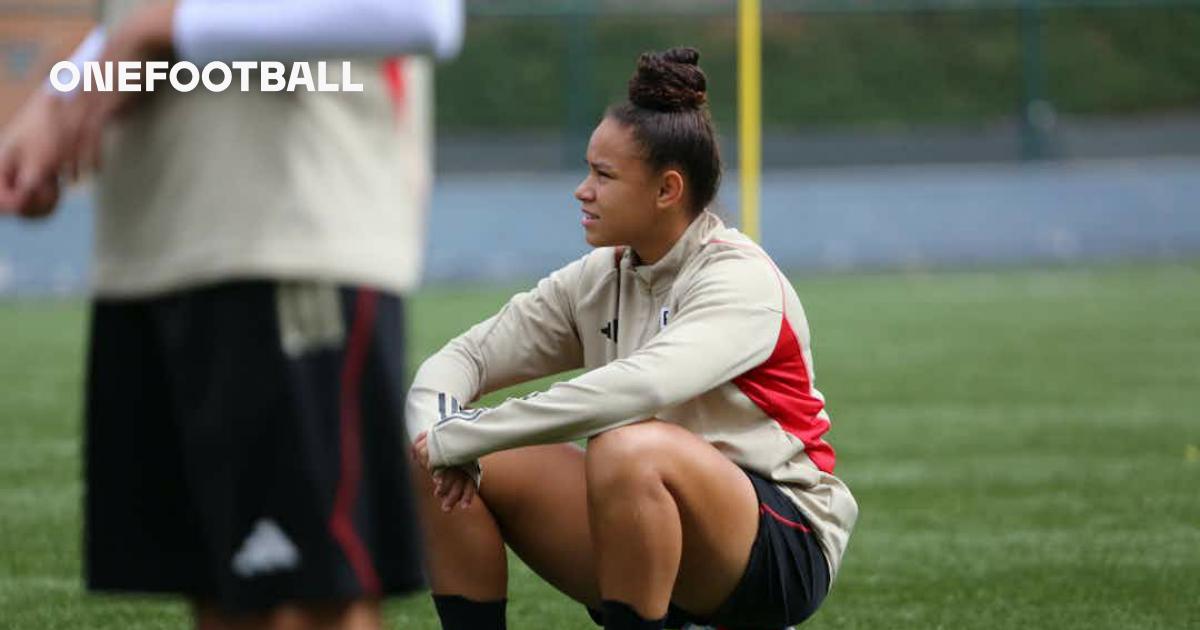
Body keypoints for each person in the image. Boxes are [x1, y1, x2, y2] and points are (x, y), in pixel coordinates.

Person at [0, 1, 463, 628]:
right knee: (225, 598)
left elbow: (419, 14)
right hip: (156, 246)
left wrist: (159, 31)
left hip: (286, 233)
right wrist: (65, 92)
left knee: (304, 603)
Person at [407, 47, 858, 630]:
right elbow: (462, 358)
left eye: (603, 175)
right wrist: (435, 439)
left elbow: (634, 390)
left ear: (667, 190)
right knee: (428, 458)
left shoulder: (740, 280)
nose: (581, 191)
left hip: (780, 547)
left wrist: (462, 437)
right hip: (643, 519)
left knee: (626, 445)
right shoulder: (600, 276)